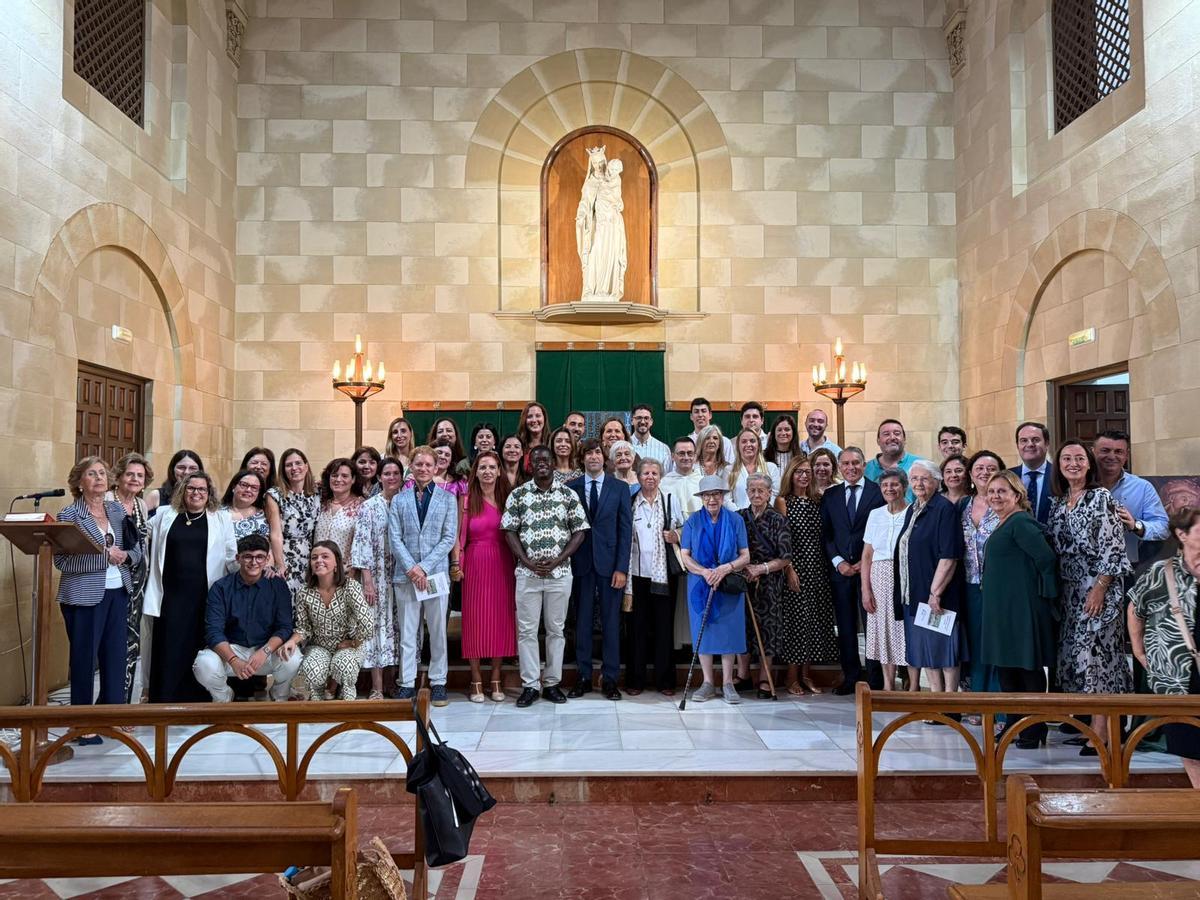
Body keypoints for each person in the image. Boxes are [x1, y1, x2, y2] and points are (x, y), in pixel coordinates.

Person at [1048, 440, 1132, 755]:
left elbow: (1113, 547)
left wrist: (1100, 587)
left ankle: (1104, 731)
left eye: (1079, 458)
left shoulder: (1101, 497)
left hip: (1099, 591)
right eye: (1066, 458)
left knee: (1100, 657)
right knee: (1079, 659)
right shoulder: (1059, 502)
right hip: (1070, 593)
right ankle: (1095, 725)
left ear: (1089, 463)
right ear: (1058, 465)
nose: (1073, 463)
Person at [54, 457, 142, 738]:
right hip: (83, 597)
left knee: (115, 657)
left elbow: (136, 550)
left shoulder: (116, 511)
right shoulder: (69, 516)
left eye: (103, 473)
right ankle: (82, 722)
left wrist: (125, 556)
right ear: (79, 482)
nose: (99, 478)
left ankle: (110, 717)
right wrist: (104, 558)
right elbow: (62, 562)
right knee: (84, 659)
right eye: (91, 474)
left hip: (118, 592)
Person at [502, 445, 589, 708]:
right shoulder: (518, 495)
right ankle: (530, 685)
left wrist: (559, 559)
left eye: (546, 460)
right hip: (527, 574)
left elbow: (580, 531)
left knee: (556, 630)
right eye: (536, 460)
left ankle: (551, 683)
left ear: (553, 464)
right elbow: (509, 530)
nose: (541, 463)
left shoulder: (568, 494)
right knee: (527, 631)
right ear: (530, 465)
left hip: (560, 573)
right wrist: (527, 561)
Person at [143, 471, 237, 703]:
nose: (196, 493)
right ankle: (164, 698)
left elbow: (231, 555)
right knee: (168, 645)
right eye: (191, 488)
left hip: (204, 594)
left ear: (209, 494)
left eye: (201, 490)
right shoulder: (165, 514)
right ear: (183, 491)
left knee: (197, 646)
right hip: (170, 595)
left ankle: (196, 699)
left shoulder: (220, 518)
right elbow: (141, 533)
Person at [980, 471, 1058, 748]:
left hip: (1021, 610)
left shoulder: (1021, 523)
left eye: (1002, 491)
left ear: (1017, 495)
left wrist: (1042, 598)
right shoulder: (1003, 523)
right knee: (1007, 671)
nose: (996, 497)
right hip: (1002, 611)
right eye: (991, 492)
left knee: (1027, 669)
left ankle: (1033, 727)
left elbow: (1046, 560)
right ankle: (1015, 724)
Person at [1128, 506, 1200, 786]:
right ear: (1182, 534)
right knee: (1189, 747)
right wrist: (1138, 650)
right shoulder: (1162, 572)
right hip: (1177, 675)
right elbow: (1135, 608)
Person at [389, 445, 458, 707]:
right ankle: (407, 683)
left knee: (438, 630)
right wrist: (412, 568)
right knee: (408, 633)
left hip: (434, 575)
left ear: (436, 467)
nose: (424, 469)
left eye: (429, 465)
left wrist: (424, 568)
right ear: (412, 467)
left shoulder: (447, 499)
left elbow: (448, 538)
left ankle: (438, 681)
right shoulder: (399, 500)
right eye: (419, 464)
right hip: (406, 576)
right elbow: (394, 538)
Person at [192, 535, 301, 702]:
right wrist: (234, 660)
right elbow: (213, 632)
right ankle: (223, 698)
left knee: (293, 659)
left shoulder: (277, 585)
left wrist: (265, 651)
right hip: (232, 650)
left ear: (267, 559)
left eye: (259, 557)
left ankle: (280, 696)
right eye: (247, 556)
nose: (253, 562)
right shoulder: (221, 587)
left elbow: (284, 627)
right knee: (203, 664)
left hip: (266, 650)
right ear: (238, 558)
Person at [567, 438, 633, 700]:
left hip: (610, 565)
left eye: (597, 452)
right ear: (581, 458)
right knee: (581, 622)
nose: (593, 457)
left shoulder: (619, 488)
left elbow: (625, 531)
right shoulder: (571, 487)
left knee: (611, 623)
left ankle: (610, 679)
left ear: (603, 458)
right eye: (588, 453)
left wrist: (621, 568)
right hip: (580, 564)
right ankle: (583, 676)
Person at [895, 459, 965, 698]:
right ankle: (935, 699)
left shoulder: (943, 509)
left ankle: (950, 703)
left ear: (937, 481)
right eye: (914, 478)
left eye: (924, 478)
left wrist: (935, 593)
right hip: (915, 592)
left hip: (937, 595)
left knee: (945, 650)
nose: (918, 483)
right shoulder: (914, 509)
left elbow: (949, 556)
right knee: (928, 650)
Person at [680, 474, 751, 704]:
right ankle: (708, 682)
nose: (712, 499)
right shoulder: (692, 522)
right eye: (708, 495)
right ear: (701, 498)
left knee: (729, 631)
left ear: (723, 496)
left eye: (717, 494)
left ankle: (728, 683)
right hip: (701, 584)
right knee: (704, 631)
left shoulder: (735, 521)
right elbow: (685, 556)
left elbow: (745, 555)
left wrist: (725, 568)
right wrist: (705, 572)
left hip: (728, 583)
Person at [820, 447, 885, 694]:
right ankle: (851, 676)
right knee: (845, 626)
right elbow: (827, 535)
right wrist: (839, 562)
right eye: (845, 464)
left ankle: (875, 678)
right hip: (841, 572)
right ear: (839, 467)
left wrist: (863, 562)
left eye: (856, 463)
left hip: (870, 570)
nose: (851, 468)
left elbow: (883, 532)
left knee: (872, 625)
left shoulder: (878, 493)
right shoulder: (831, 495)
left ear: (864, 464)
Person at [775, 456, 838, 695]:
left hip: (818, 569)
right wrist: (789, 569)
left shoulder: (817, 501)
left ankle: (806, 674)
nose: (803, 476)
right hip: (796, 568)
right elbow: (783, 539)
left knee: (813, 622)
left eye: (807, 472)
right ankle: (791, 676)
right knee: (797, 623)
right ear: (790, 474)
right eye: (798, 472)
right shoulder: (783, 501)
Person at [457, 450, 516, 703]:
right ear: (476, 472)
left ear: (499, 471)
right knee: (475, 620)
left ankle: (495, 677)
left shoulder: (508, 498)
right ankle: (475, 679)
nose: (488, 472)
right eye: (483, 467)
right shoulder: (467, 499)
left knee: (500, 619)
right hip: (475, 562)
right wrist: (456, 565)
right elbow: (459, 537)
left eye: (492, 467)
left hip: (502, 562)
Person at [283, 541, 374, 701]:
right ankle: (317, 714)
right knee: (311, 672)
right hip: (319, 646)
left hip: (349, 645)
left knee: (345, 667)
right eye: (314, 558)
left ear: (336, 563)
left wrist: (354, 643)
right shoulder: (304, 592)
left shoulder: (350, 587)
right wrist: (292, 641)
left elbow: (366, 621)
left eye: (325, 557)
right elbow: (303, 627)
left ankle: (348, 712)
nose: (319, 561)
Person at [350, 456, 404, 700]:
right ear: (379, 477)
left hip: (402, 576)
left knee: (400, 628)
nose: (391, 477)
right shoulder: (369, 506)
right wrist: (368, 581)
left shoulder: (407, 502)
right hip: (378, 576)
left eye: (396, 473)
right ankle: (377, 687)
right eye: (387, 473)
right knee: (377, 629)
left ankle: (396, 682)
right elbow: (361, 544)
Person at [860, 468, 915, 693]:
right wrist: (866, 589)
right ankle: (888, 685)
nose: (890, 489)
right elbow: (866, 555)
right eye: (885, 486)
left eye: (895, 485)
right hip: (879, 576)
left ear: (904, 487)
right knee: (883, 631)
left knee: (907, 630)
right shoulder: (876, 514)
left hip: (906, 574)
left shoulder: (914, 512)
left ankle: (913, 686)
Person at [625, 458, 677, 694]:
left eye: (655, 473)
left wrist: (676, 534)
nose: (650, 477)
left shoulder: (669, 500)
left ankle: (665, 681)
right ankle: (635, 680)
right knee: (637, 629)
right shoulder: (630, 502)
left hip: (663, 575)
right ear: (638, 476)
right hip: (635, 576)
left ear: (660, 476)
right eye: (645, 473)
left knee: (664, 628)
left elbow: (685, 527)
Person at [737, 473, 791, 698]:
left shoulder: (778, 519)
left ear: (770, 493)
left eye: (761, 490)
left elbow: (785, 557)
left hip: (769, 582)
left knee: (767, 630)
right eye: (752, 489)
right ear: (747, 492)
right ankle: (743, 675)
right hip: (743, 581)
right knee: (743, 628)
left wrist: (761, 569)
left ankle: (764, 677)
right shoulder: (739, 517)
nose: (756, 494)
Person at [107, 453, 152, 703]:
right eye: (130, 474)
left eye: (140, 476)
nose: (135, 479)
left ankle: (123, 704)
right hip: (112, 581)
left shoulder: (141, 505)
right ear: (119, 477)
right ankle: (108, 702)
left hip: (137, 583)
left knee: (131, 643)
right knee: (112, 643)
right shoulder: (106, 501)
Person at [961, 450, 1006, 697]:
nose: (984, 473)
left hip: (998, 586)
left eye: (991, 468)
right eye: (979, 468)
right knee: (976, 644)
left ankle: (1000, 707)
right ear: (970, 474)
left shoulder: (1006, 504)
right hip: (969, 584)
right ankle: (978, 700)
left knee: (997, 645)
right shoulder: (962, 506)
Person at [1093, 430, 1169, 569]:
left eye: (1118, 451)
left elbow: (1163, 528)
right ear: (1093, 452)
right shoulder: (1079, 485)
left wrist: (1136, 526)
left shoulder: (1143, 488)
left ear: (1126, 455)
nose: (1112, 456)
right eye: (1105, 450)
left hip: (1126, 567)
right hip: (1085, 567)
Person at [662, 436, 703, 652]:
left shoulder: (703, 480)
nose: (686, 457)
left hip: (701, 550)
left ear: (695, 456)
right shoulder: (665, 482)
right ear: (673, 456)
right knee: (679, 600)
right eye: (681, 453)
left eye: (689, 453)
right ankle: (681, 647)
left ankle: (701, 645)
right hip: (675, 551)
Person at [265, 448, 320, 596]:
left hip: (311, 556)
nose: (294, 468)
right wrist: (280, 564)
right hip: (286, 553)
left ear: (306, 466)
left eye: (298, 463)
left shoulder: (317, 493)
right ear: (283, 470)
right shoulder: (275, 495)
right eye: (289, 465)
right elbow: (275, 534)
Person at [314, 458, 364, 571]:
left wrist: (351, 573)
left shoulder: (362, 507)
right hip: (318, 572)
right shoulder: (320, 503)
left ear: (353, 479)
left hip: (345, 573)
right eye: (334, 475)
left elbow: (362, 545)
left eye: (345, 476)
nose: (338, 479)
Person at [726, 428, 780, 510]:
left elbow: (775, 494)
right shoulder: (729, 470)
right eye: (744, 441)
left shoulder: (771, 468)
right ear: (738, 446)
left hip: (766, 518)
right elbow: (726, 500)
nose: (748, 444)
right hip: (739, 519)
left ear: (758, 445)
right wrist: (742, 516)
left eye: (752, 441)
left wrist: (762, 512)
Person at [1012, 421, 1053, 524]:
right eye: (1024, 440)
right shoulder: (1007, 477)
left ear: (1047, 443)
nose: (1030, 444)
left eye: (1036, 440)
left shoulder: (1060, 475)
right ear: (1017, 445)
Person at [865, 419, 918, 493]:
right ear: (878, 441)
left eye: (897, 433)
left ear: (904, 439)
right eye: (886, 434)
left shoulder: (919, 464)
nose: (892, 437)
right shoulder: (866, 469)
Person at [221, 469, 270, 547]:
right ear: (233, 486)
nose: (248, 490)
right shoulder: (217, 513)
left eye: (254, 487)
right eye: (244, 485)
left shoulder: (265, 515)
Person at [146, 449, 202, 515]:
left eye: (192, 468)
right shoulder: (156, 496)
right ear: (172, 470)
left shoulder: (204, 498)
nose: (186, 472)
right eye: (181, 467)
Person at [630, 403, 672, 472]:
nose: (643, 422)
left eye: (646, 418)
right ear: (632, 421)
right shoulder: (625, 445)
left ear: (651, 422)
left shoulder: (663, 448)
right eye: (639, 418)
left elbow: (667, 477)